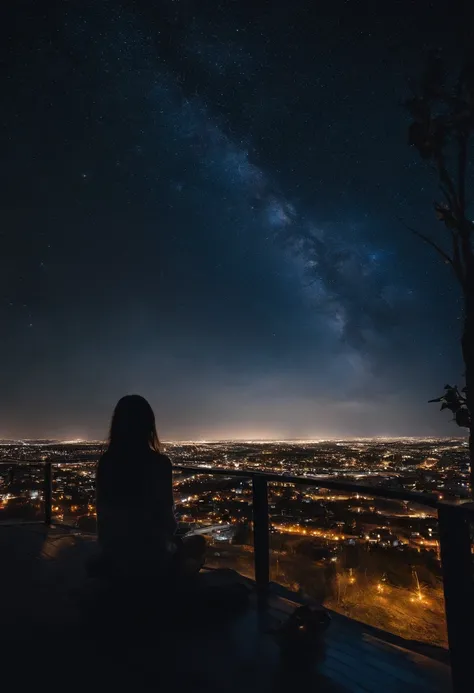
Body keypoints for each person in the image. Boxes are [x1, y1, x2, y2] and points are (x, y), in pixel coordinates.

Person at [96, 394, 205, 582]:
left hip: (114, 554)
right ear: (149, 425)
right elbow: (167, 521)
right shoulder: (159, 463)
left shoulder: (107, 463)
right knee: (198, 542)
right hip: (152, 555)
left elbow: (103, 517)